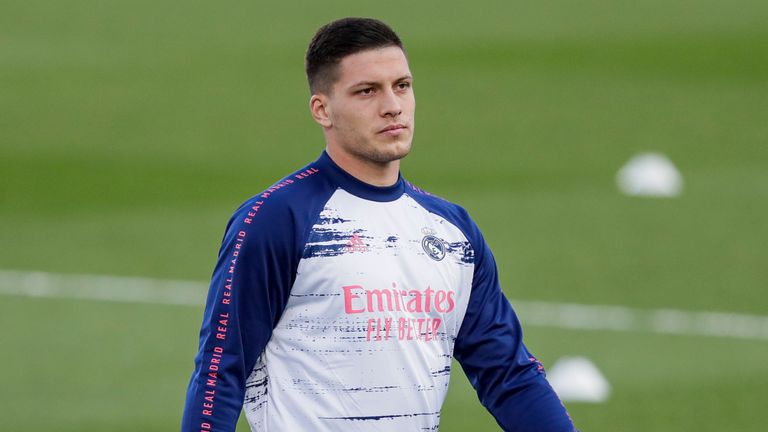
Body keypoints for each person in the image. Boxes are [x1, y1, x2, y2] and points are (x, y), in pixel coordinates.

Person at [181, 17, 576, 432]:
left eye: (401, 86)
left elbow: (508, 375)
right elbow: (219, 374)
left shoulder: (452, 231)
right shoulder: (278, 219)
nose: (392, 105)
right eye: (367, 91)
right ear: (322, 109)